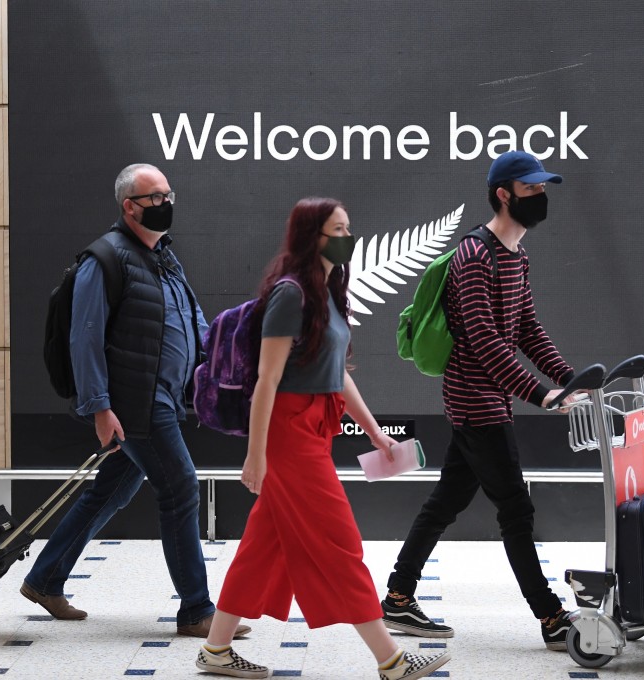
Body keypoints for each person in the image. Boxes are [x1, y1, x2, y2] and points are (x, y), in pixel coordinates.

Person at [193, 198, 449, 680]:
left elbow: (337, 376)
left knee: (262, 546)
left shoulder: (329, 291)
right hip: (288, 433)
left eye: (349, 227)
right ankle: (391, 659)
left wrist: (375, 433)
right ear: (312, 235)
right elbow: (267, 380)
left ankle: (215, 650)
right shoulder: (291, 294)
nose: (347, 236)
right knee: (339, 540)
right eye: (338, 228)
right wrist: (255, 456)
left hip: (313, 427)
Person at [20, 163, 250, 639]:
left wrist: (220, 358)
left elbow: (192, 318)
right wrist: (100, 407)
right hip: (135, 402)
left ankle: (45, 579)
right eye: (155, 198)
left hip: (163, 395)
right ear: (129, 206)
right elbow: (84, 341)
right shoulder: (103, 260)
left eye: (169, 195)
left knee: (111, 490)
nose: (166, 205)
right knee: (181, 487)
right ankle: (196, 611)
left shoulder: (163, 255)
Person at [381, 150, 584, 650]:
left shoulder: (517, 255)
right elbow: (485, 340)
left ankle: (398, 596)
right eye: (531, 189)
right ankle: (551, 616)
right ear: (503, 194)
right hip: (475, 401)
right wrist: (541, 393)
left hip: (491, 399)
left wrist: (571, 378)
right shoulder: (475, 256)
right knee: (515, 509)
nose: (540, 197)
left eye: (542, 189)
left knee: (447, 500)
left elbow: (526, 329)